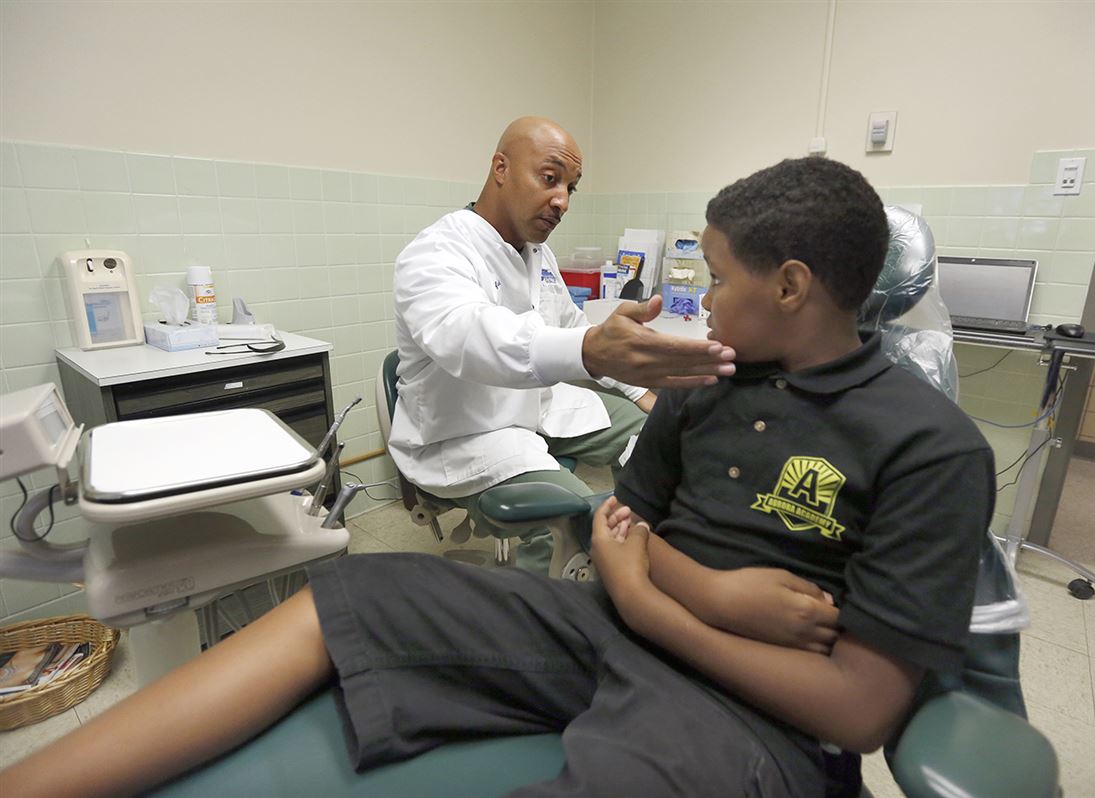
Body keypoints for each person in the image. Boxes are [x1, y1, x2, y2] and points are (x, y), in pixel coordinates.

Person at [0, 157, 994, 798]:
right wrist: (687, 594)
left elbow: (859, 710)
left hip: (753, 713)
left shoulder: (930, 447)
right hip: (617, 621)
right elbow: (619, 528)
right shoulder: (710, 379)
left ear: (791, 287)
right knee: (356, 596)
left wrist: (655, 597)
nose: (702, 297)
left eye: (720, 278)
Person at [388, 116, 736, 571]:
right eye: (550, 178)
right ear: (500, 168)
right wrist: (589, 349)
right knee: (574, 526)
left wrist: (638, 390)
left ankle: (641, 541)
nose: (562, 201)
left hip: (538, 405)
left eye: (571, 187)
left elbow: (572, 326)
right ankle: (544, 599)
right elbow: (468, 336)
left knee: (659, 435)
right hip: (468, 433)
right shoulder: (436, 252)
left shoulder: (538, 253)